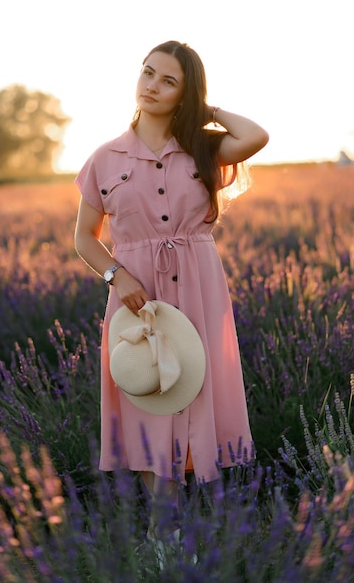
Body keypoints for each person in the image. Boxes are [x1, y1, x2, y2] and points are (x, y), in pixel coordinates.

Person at [74, 40, 269, 546]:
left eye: (168, 81)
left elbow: (256, 136)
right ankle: (166, 541)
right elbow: (83, 238)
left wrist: (207, 112)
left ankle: (205, 541)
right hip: (137, 297)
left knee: (198, 394)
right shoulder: (105, 157)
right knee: (149, 396)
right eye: (147, 73)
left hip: (199, 289)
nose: (151, 86)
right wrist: (117, 276)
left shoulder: (203, 147)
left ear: (186, 95)